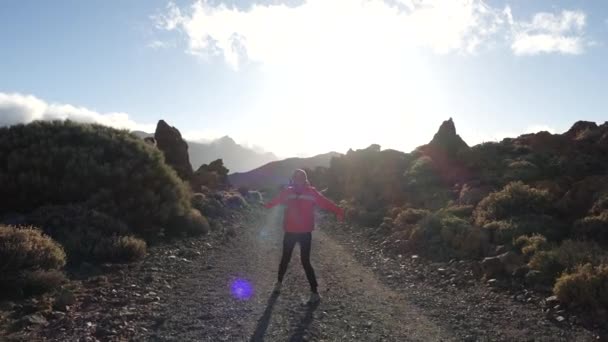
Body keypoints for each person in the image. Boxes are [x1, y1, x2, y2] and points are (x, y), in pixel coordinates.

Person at [264, 169, 344, 304]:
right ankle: (279, 284)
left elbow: (325, 203)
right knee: (286, 259)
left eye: (300, 179)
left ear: (304, 180)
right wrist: (267, 205)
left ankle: (314, 292)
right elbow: (277, 200)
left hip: (303, 232)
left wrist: (338, 210)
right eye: (296, 179)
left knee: (304, 261)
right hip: (291, 231)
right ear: (293, 180)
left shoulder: (311, 192)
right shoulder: (289, 191)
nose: (298, 181)